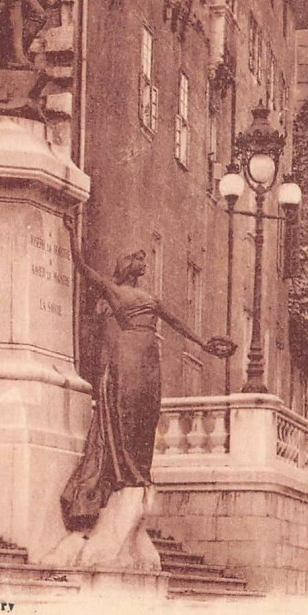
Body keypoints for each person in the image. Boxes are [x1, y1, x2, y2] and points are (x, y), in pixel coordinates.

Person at [60, 213, 236, 532]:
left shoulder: (151, 298)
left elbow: (178, 323)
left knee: (147, 411)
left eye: (144, 259)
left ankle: (140, 469)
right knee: (125, 411)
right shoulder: (114, 292)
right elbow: (83, 269)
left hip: (148, 357)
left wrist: (204, 345)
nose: (143, 263)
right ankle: (127, 471)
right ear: (128, 266)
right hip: (127, 356)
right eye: (138, 260)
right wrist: (72, 235)